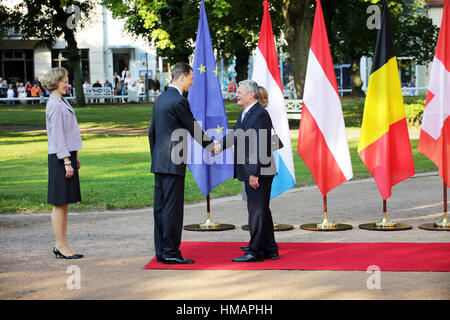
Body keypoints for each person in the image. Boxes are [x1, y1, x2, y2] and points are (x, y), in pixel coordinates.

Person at [148, 62, 219, 264]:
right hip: (174, 161)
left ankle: (162, 251)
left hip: (160, 162)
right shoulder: (179, 101)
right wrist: (210, 146)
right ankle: (171, 252)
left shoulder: (160, 99)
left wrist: (156, 157)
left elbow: (151, 132)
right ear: (182, 77)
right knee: (172, 209)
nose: (192, 81)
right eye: (191, 77)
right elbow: (193, 127)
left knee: (160, 208)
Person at [216, 80, 278, 262]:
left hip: (259, 171)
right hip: (253, 169)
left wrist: (255, 172)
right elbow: (235, 133)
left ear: (251, 95)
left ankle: (255, 251)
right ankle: (269, 248)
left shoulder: (260, 114)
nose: (236, 94)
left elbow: (262, 145)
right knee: (261, 210)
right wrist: (217, 146)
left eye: (239, 91)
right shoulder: (247, 113)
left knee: (256, 211)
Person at [41, 67, 83, 260]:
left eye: (67, 81)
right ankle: (60, 245)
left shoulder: (61, 101)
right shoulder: (55, 105)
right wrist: (66, 160)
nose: (67, 84)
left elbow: (67, 133)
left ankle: (64, 243)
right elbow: (58, 135)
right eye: (64, 81)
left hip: (66, 156)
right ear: (55, 82)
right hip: (60, 158)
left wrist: (74, 156)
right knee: (59, 203)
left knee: (64, 203)